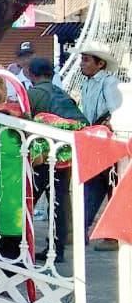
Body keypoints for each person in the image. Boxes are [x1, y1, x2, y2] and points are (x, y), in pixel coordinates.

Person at [27, 57, 87, 263]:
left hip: (42, 156)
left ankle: (18, 242)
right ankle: (56, 249)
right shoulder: (61, 93)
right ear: (51, 74)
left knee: (28, 198)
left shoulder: (33, 94)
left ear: (30, 74)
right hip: (63, 155)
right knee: (58, 201)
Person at [76, 44, 122, 249]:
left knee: (112, 186)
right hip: (93, 138)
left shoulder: (110, 82)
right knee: (93, 185)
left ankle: (113, 237)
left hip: (109, 140)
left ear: (100, 63)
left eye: (86, 60)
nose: (82, 64)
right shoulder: (87, 84)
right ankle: (82, 230)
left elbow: (116, 111)